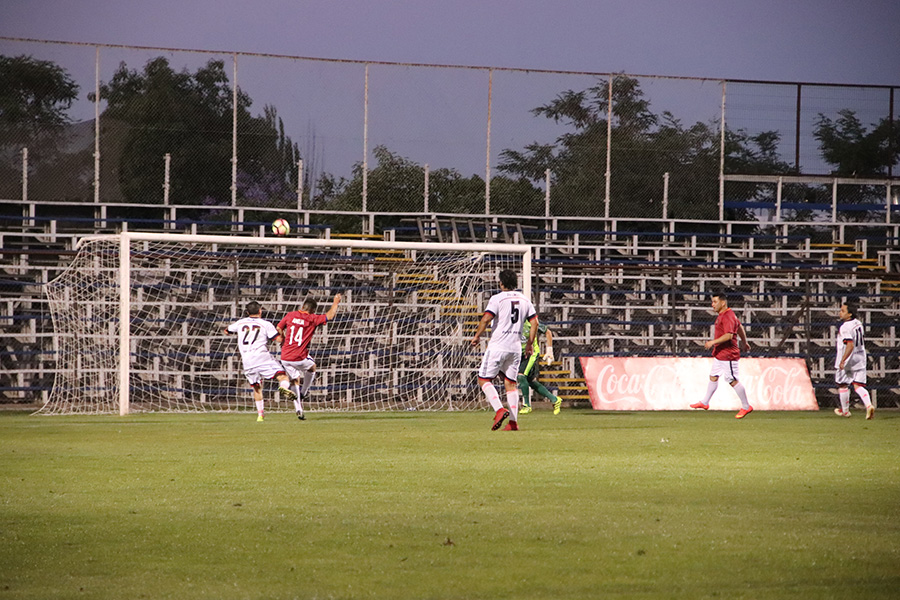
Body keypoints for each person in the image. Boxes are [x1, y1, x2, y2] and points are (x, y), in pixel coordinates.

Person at [470, 269, 538, 431]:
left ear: (501, 283)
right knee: (511, 384)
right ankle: (513, 423)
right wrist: (529, 344)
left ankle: (499, 409)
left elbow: (486, 319)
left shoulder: (497, 298)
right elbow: (534, 323)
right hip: (515, 348)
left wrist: (477, 336)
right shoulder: (524, 299)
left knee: (484, 379)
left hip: (498, 346)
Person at [225, 301, 296, 422]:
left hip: (247, 360)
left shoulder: (240, 323)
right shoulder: (265, 324)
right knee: (282, 376)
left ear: (247, 312)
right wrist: (283, 333)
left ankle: (260, 415)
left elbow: (227, 331)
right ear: (260, 311)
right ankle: (283, 387)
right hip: (262, 357)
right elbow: (278, 339)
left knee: (257, 387)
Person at [276, 294, 342, 420]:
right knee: (312, 367)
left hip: (285, 357)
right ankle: (304, 393)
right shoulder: (311, 318)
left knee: (295, 379)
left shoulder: (290, 315)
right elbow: (329, 316)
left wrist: (282, 338)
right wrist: (336, 302)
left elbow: (278, 327)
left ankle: (298, 409)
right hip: (299, 356)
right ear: (312, 310)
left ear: (303, 306)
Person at [690, 291, 754, 419]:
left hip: (728, 355)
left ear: (723, 303)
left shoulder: (727, 316)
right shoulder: (726, 315)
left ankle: (746, 406)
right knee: (713, 376)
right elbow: (739, 327)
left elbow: (729, 335)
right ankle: (705, 402)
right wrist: (744, 342)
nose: (712, 304)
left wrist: (712, 342)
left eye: (715, 302)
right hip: (720, 354)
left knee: (732, 380)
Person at [833, 302, 874, 419]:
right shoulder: (858, 323)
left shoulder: (845, 327)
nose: (840, 313)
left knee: (843, 385)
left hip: (848, 358)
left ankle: (845, 411)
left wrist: (843, 360)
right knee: (858, 385)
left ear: (850, 314)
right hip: (860, 357)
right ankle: (869, 405)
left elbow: (850, 345)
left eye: (843, 311)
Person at [517, 320, 562, 415]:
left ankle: (526, 405)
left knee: (521, 376)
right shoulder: (513, 321)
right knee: (531, 381)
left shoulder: (530, 321)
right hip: (519, 354)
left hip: (531, 354)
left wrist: (549, 350)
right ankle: (554, 399)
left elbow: (548, 332)